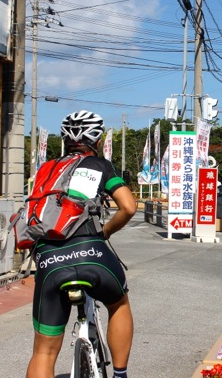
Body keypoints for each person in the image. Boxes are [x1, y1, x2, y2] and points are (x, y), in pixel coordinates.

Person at [26, 110, 138, 378]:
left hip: (50, 259)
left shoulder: (46, 169)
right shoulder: (100, 166)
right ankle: (120, 375)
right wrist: (105, 233)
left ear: (65, 139)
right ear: (97, 139)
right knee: (119, 304)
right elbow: (129, 207)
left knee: (44, 351)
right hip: (92, 252)